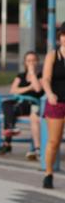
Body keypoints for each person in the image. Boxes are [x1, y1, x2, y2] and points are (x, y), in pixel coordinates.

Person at [0, 51, 43, 159]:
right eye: (28, 61)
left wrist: (32, 74)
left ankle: (7, 143)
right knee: (6, 104)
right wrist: (29, 88)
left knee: (12, 110)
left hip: (32, 104)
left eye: (33, 60)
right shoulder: (20, 75)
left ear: (37, 62)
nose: (31, 63)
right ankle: (11, 129)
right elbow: (13, 90)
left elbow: (38, 88)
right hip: (19, 101)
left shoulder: (41, 75)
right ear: (24, 62)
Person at [41, 23, 65, 189]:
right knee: (54, 141)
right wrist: (49, 93)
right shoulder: (53, 55)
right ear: (60, 37)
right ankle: (48, 173)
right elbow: (46, 79)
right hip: (57, 102)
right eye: (64, 34)